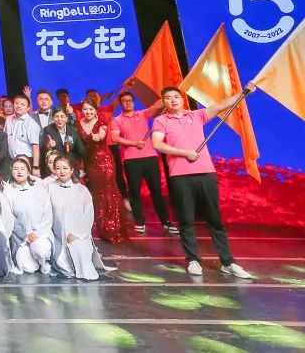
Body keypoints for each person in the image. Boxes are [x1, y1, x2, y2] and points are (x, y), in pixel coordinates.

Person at [151, 84, 255, 279]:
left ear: (182, 99)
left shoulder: (197, 115)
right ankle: (193, 260)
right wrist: (185, 153)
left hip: (206, 173)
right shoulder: (161, 120)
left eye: (176, 96)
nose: (173, 100)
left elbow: (221, 105)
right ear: (164, 102)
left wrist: (243, 93)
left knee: (215, 219)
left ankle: (228, 262)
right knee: (186, 219)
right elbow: (157, 144)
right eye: (168, 98)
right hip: (180, 176)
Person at [111, 92, 176, 235]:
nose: (128, 103)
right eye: (125, 101)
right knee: (134, 192)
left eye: (130, 100)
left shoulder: (143, 114)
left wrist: (169, 95)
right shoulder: (117, 120)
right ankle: (140, 222)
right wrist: (134, 143)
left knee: (157, 191)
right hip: (131, 160)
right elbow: (115, 138)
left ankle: (166, 222)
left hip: (150, 158)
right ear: (121, 104)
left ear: (133, 102)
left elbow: (157, 105)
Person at [47, 156, 114, 281]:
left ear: (72, 170)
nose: (62, 171)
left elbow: (88, 214)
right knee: (62, 264)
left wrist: (77, 234)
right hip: (56, 235)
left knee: (80, 252)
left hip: (77, 234)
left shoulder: (82, 190)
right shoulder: (49, 187)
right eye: (58, 168)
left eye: (65, 168)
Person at [76, 100, 127, 244]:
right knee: (97, 194)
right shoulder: (78, 124)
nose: (88, 112)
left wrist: (97, 137)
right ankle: (102, 226)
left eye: (91, 109)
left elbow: (101, 135)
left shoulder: (101, 121)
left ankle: (112, 226)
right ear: (82, 111)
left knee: (109, 193)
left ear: (96, 110)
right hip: (90, 162)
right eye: (85, 109)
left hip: (104, 161)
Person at [2, 157, 52, 275]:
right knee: (28, 267)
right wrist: (25, 236)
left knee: (41, 250)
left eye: (22, 169)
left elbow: (47, 213)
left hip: (40, 234)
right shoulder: (8, 191)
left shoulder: (39, 188)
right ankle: (33, 259)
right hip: (21, 238)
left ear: (28, 171)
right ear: (11, 171)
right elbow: (9, 218)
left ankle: (44, 263)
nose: (19, 172)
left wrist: (37, 233)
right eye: (16, 169)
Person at [40, 107, 85, 177]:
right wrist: (49, 147)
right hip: (55, 168)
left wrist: (72, 157)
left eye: (62, 116)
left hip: (71, 167)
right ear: (53, 118)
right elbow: (43, 151)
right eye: (56, 116)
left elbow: (81, 150)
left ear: (67, 118)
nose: (59, 119)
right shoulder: (47, 130)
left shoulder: (73, 130)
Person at [6, 95, 42, 176]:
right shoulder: (8, 119)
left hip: (26, 161)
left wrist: (35, 167)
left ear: (28, 108)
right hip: (11, 160)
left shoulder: (31, 123)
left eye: (22, 104)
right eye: (16, 103)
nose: (18, 106)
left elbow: (35, 146)